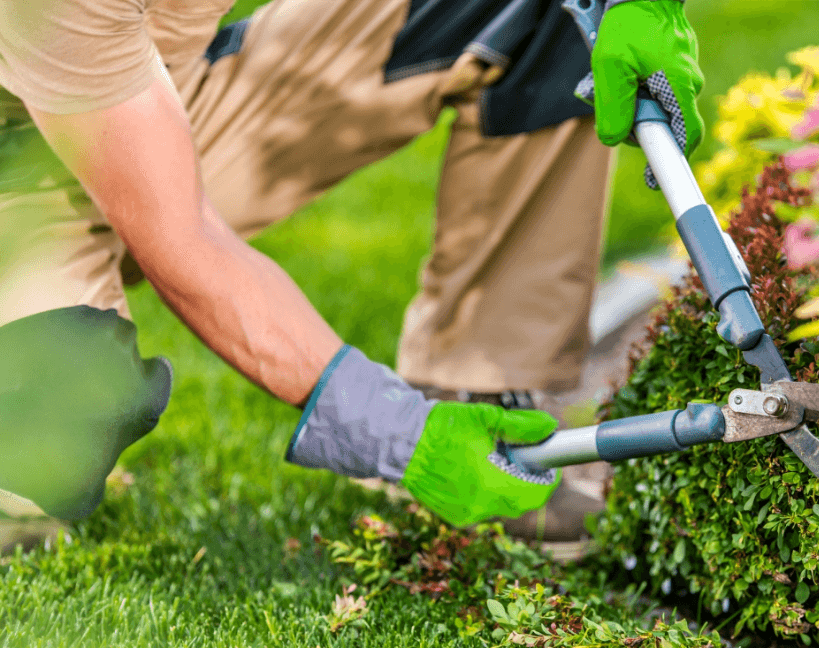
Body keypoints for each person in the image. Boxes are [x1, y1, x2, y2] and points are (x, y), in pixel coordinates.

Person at [0, 0, 703, 552]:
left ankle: (485, 402)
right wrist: (397, 433)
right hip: (20, 180)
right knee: (58, 429)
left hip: (157, 90)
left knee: (554, 10)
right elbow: (184, 243)